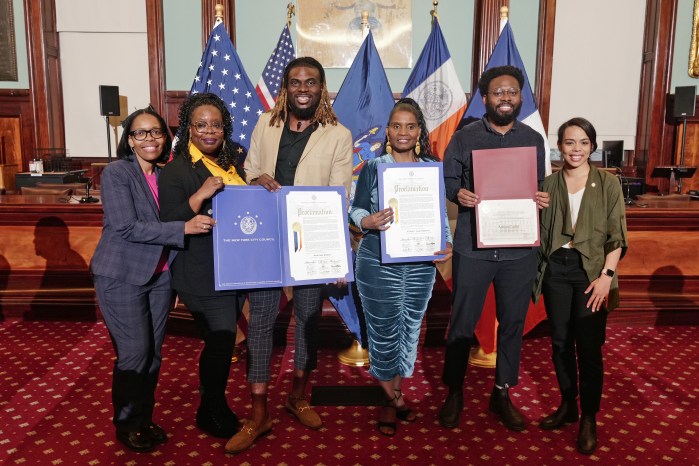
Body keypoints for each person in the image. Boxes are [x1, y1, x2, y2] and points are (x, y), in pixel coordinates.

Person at [225, 56, 352, 454]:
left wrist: (335, 255)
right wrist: (256, 178)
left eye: (310, 82)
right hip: (264, 239)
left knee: (307, 320)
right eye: (295, 81)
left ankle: (298, 396)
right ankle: (259, 412)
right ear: (285, 87)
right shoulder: (266, 123)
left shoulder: (338, 135)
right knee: (261, 321)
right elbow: (249, 170)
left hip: (311, 240)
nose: (302, 88)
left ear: (322, 88)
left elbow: (340, 198)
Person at [91, 107, 211, 452]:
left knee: (154, 354)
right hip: (121, 275)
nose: (149, 139)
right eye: (140, 133)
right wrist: (183, 228)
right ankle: (127, 424)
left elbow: (175, 211)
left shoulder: (165, 175)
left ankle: (144, 418)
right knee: (134, 354)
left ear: (166, 136)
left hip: (159, 276)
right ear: (128, 140)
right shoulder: (116, 174)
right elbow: (126, 226)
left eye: (156, 132)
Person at [440, 65, 550, 431]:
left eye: (513, 92)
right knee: (462, 323)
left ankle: (502, 392)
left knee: (513, 324)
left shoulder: (534, 138)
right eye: (498, 92)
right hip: (474, 246)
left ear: (521, 98)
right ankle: (454, 391)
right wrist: (458, 193)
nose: (506, 98)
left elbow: (539, 184)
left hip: (520, 249)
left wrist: (541, 197)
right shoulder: (465, 137)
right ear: (485, 98)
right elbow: (448, 181)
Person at [349, 98, 453, 436]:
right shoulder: (373, 167)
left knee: (408, 333)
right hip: (378, 261)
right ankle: (391, 402)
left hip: (421, 264)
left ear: (419, 130)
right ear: (388, 131)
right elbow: (355, 209)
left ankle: (395, 396)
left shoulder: (430, 168)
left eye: (410, 126)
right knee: (382, 334)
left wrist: (446, 242)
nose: (403, 132)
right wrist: (368, 220)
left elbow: (438, 215)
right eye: (397, 126)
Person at [533, 117, 628, 454]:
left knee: (588, 348)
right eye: (570, 142)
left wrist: (607, 277)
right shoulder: (547, 185)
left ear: (593, 146)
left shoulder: (607, 183)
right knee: (560, 343)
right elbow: (537, 232)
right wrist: (533, 206)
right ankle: (568, 405)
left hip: (592, 273)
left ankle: (589, 417)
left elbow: (617, 236)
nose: (576, 149)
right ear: (559, 146)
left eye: (583, 142)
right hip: (557, 271)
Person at [159, 93, 246, 439]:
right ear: (188, 129)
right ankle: (211, 408)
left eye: (216, 125)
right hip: (199, 273)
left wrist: (257, 185)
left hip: (234, 268)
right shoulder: (176, 170)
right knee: (222, 341)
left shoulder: (231, 162)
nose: (209, 131)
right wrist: (201, 195)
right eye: (201, 125)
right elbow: (168, 222)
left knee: (221, 342)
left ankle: (211, 404)